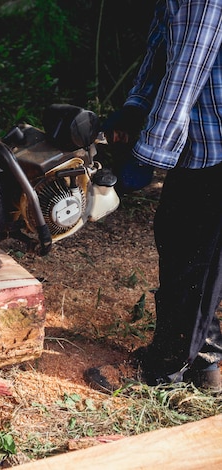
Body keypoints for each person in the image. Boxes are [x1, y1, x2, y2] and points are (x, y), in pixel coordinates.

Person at [90, 0, 222, 391]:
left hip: (216, 142)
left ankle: (163, 371)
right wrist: (134, 107)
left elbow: (185, 73)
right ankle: (205, 360)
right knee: (193, 247)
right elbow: (161, 47)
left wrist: (148, 154)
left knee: (189, 250)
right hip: (202, 136)